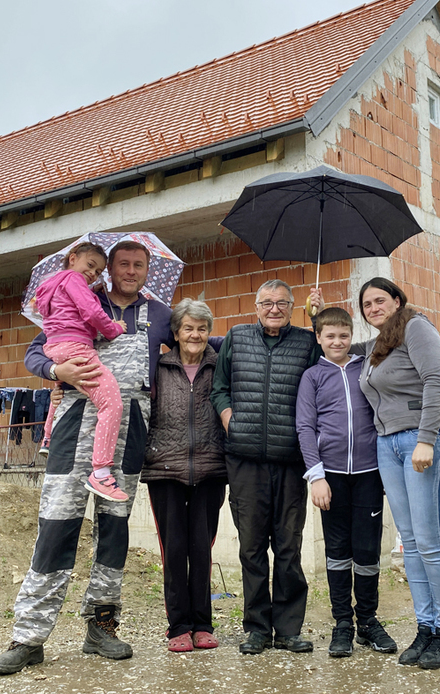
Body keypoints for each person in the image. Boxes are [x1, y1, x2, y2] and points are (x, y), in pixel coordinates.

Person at [0, 239, 175, 675]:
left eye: (138, 265)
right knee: (57, 526)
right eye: (123, 264)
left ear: (148, 270)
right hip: (76, 428)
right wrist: (57, 371)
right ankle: (29, 637)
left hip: (129, 433)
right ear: (108, 268)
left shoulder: (161, 315)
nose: (130, 270)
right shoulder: (80, 298)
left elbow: (196, 341)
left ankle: (102, 627)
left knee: (113, 532)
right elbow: (37, 351)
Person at [355, 277, 440, 670]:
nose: (373, 308)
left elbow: (436, 381)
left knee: (431, 542)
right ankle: (426, 628)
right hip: (388, 446)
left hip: (423, 441)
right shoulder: (375, 346)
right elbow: (334, 346)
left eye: (379, 300)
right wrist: (315, 317)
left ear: (398, 301)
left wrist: (427, 439)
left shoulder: (417, 327)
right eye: (366, 304)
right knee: (412, 542)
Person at [210, 279, 319, 655]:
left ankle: (288, 629)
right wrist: (229, 419)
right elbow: (219, 387)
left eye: (283, 303)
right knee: (251, 548)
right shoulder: (237, 338)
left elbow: (326, 375)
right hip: (244, 461)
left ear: (293, 308)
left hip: (291, 462)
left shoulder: (307, 342)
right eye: (267, 303)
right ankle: (256, 628)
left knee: (289, 547)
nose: (275, 309)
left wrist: (317, 320)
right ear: (256, 307)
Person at [295, 307, 397, 659]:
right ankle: (342, 625)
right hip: (331, 478)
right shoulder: (312, 377)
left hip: (370, 473)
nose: (337, 342)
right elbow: (305, 428)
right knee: (337, 553)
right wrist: (316, 475)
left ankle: (368, 622)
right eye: (329, 336)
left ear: (352, 336)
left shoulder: (366, 365)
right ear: (319, 339)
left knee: (367, 552)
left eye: (343, 335)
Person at [141, 298, 226, 653]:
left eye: (202, 328)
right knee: (173, 549)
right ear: (175, 333)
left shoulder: (220, 365)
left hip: (210, 466)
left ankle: (202, 624)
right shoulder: (158, 367)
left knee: (201, 548)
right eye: (188, 328)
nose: (195, 334)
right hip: (165, 468)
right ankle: (178, 625)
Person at [35, 241, 127, 501]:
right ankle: (100, 473)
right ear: (72, 258)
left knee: (62, 389)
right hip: (76, 348)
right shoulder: (73, 279)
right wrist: (113, 328)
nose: (93, 274)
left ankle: (48, 438)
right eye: (90, 265)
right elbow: (91, 311)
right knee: (111, 402)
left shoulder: (50, 286)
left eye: (98, 272)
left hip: (55, 347)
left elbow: (68, 316)